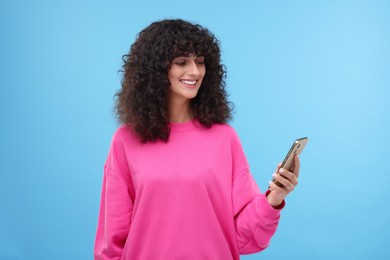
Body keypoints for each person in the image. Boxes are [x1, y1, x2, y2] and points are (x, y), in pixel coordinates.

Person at [94, 19, 300, 260]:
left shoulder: (225, 138)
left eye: (200, 62)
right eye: (182, 62)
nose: (194, 71)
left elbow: (244, 237)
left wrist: (274, 198)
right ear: (156, 69)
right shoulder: (125, 141)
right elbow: (112, 239)